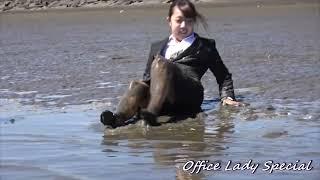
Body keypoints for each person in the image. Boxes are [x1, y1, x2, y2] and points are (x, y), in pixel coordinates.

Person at [101, 0, 241, 128]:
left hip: (188, 93)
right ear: (169, 21)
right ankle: (118, 118)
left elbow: (223, 76)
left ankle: (151, 113)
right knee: (137, 85)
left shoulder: (205, 46)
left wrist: (227, 97)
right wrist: (139, 96)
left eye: (189, 21)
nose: (184, 26)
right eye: (179, 20)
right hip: (163, 100)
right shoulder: (156, 47)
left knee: (161, 64)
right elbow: (147, 79)